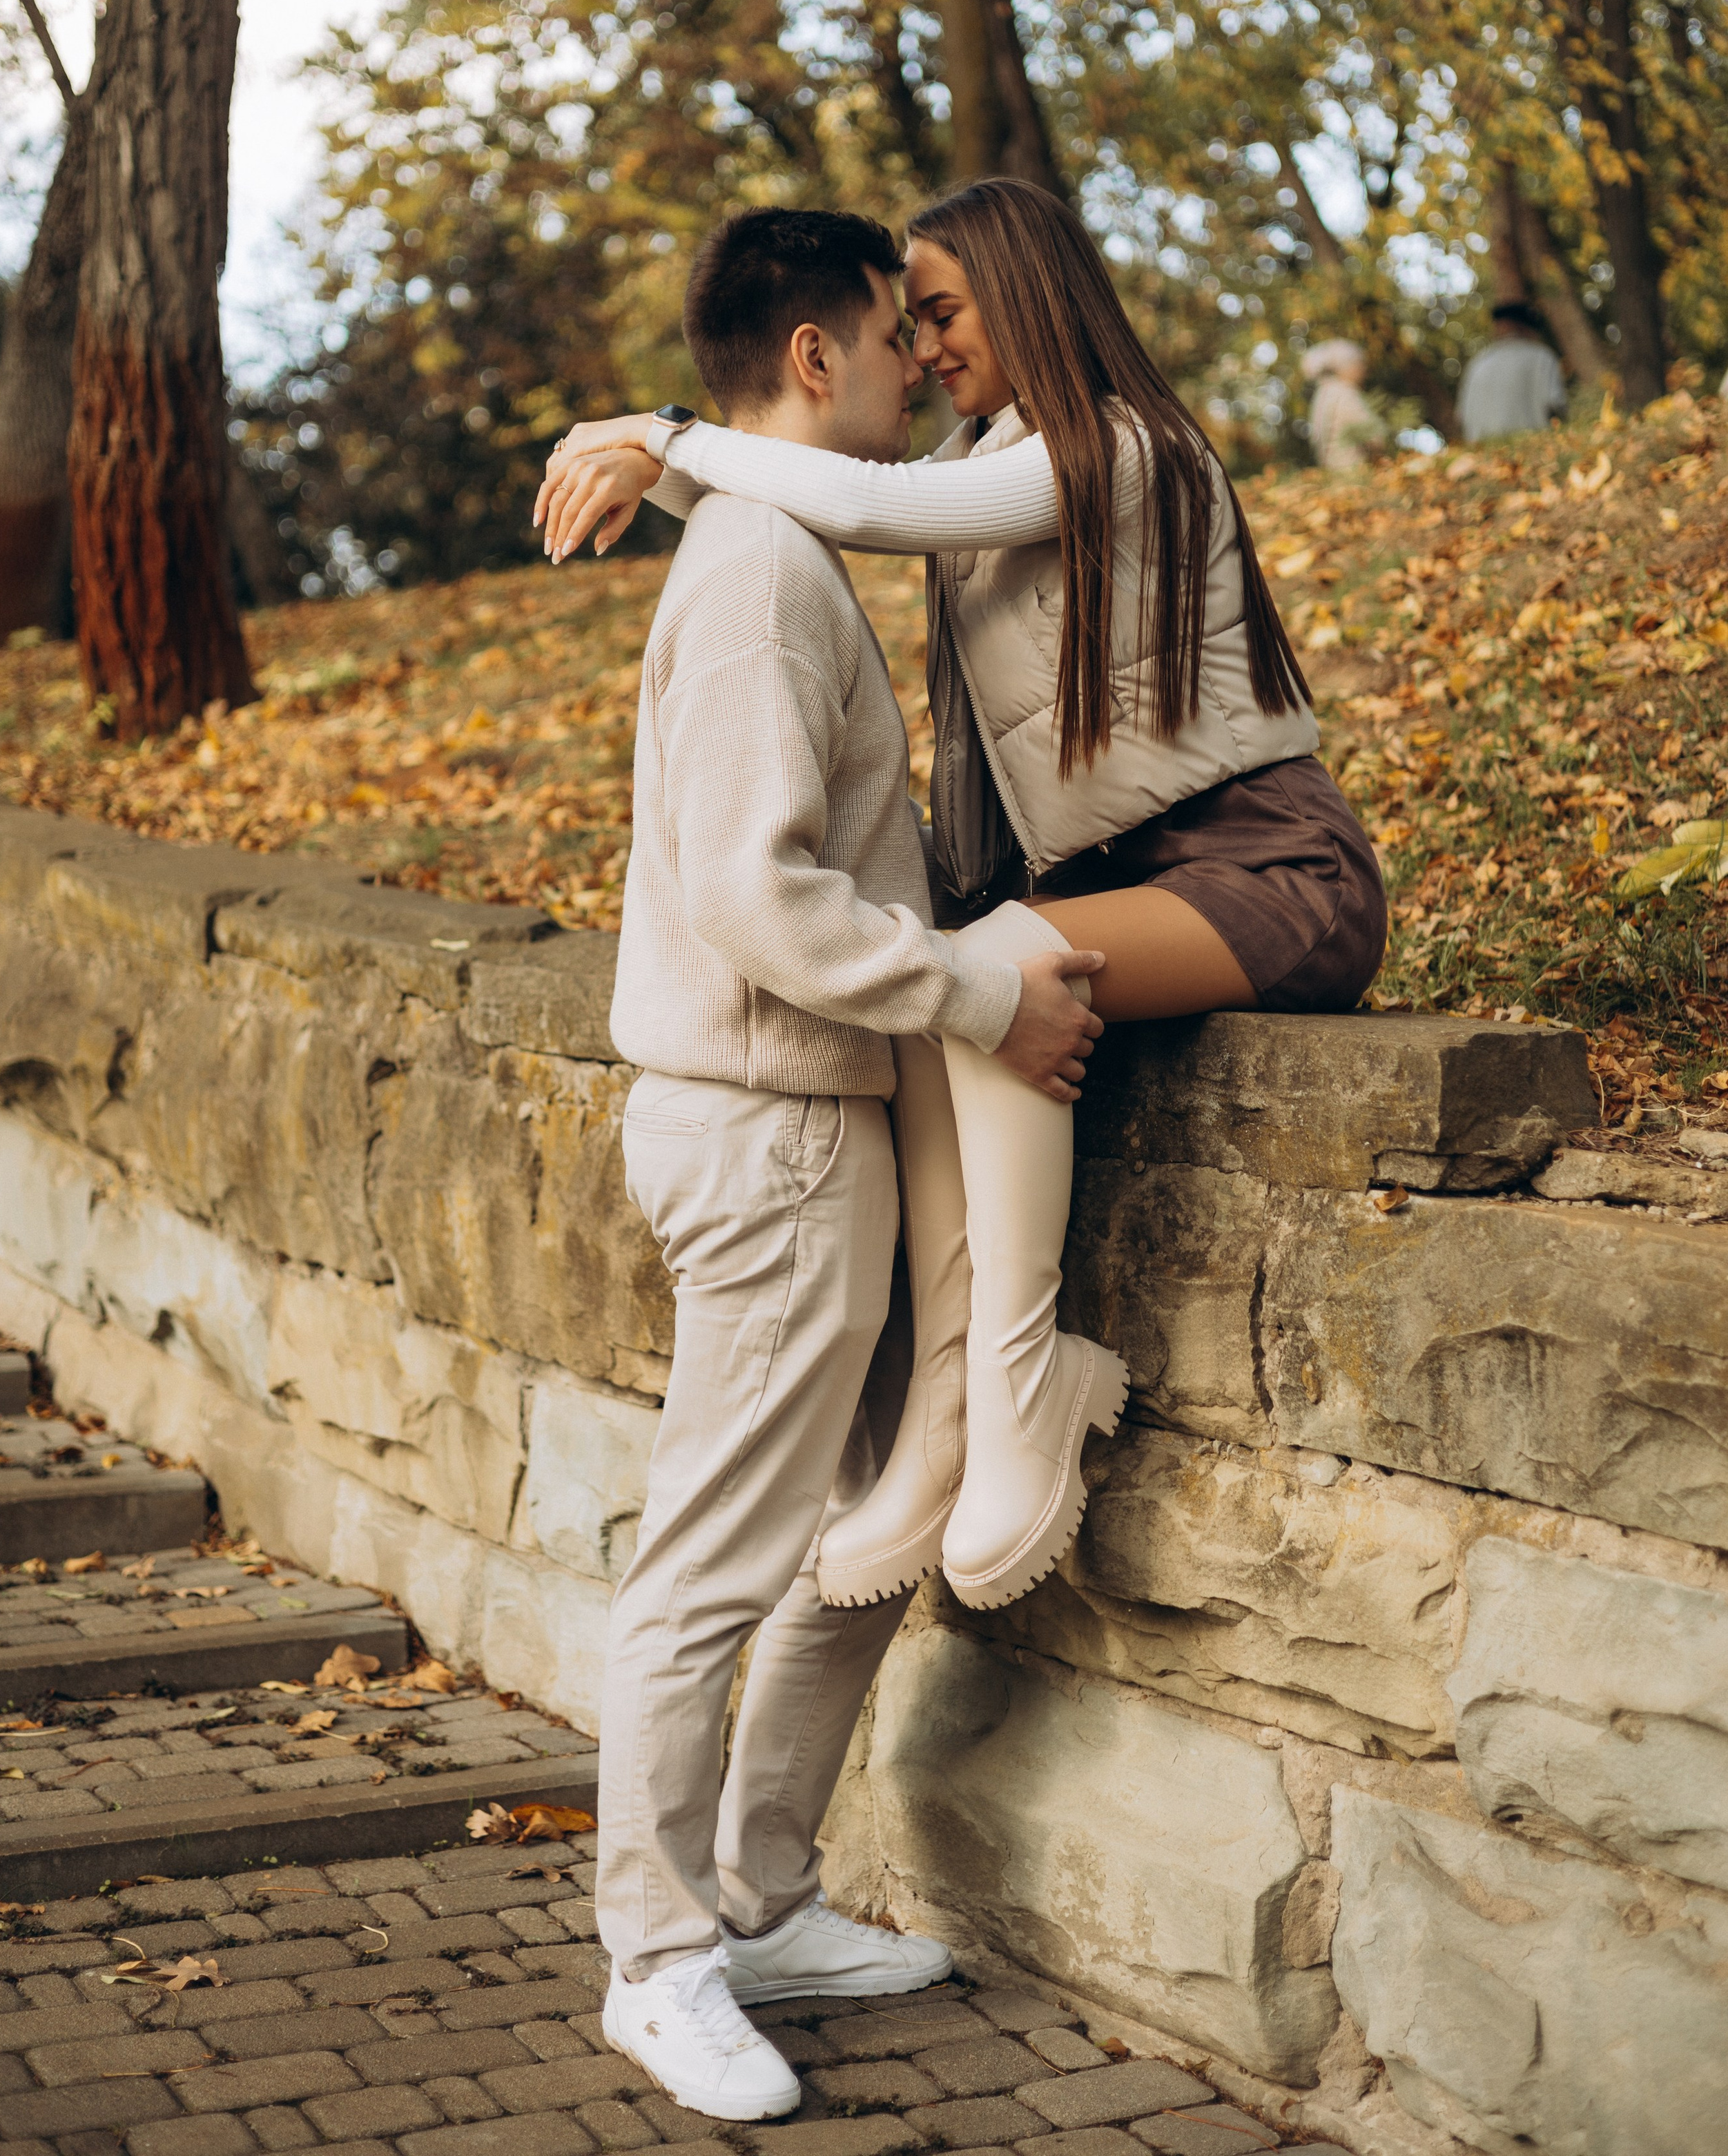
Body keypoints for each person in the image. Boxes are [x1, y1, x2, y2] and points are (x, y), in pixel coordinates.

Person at [536, 175, 1388, 1633]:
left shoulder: (1115, 447)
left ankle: (1009, 1395)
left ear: (1025, 291)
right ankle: (945, 1416)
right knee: (949, 980)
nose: (923, 349)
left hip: (1266, 867)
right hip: (1117, 886)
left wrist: (657, 440)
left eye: (939, 312)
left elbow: (855, 500)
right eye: (907, 324)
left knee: (982, 967)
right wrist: (655, 459)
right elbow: (814, 478)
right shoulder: (982, 458)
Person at [552, 206, 1107, 2124]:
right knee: (715, 1561)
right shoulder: (763, 575)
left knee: (853, 1524)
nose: (917, 367)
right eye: (893, 337)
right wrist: (971, 994)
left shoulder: (777, 546)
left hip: (821, 1122)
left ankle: (763, 1898)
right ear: (812, 360)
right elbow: (753, 890)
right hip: (773, 1127)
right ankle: (659, 1956)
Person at [1456, 301, 1567, 440]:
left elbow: (1462, 417)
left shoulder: (1478, 363)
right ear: (1525, 327)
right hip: (1534, 450)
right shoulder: (1542, 357)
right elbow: (1557, 405)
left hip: (1480, 456)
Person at [1301, 338, 1385, 474]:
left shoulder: (1323, 394)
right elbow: (1376, 438)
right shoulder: (1344, 393)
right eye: (1359, 364)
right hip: (1355, 473)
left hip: (1335, 475)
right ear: (1346, 367)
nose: (1363, 371)